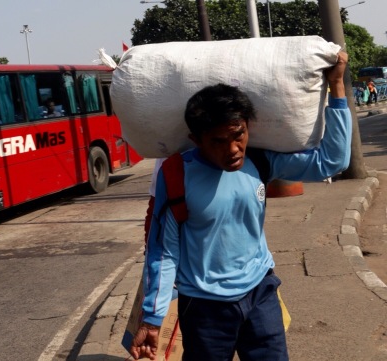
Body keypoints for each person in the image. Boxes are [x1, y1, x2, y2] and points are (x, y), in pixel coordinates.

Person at [130, 51, 351, 361]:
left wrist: (337, 87)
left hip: (260, 293)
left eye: (239, 135)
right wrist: (152, 318)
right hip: (204, 307)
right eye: (218, 141)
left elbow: (332, 161)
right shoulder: (176, 174)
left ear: (248, 126)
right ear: (196, 140)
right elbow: (163, 249)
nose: (233, 150)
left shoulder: (259, 161)